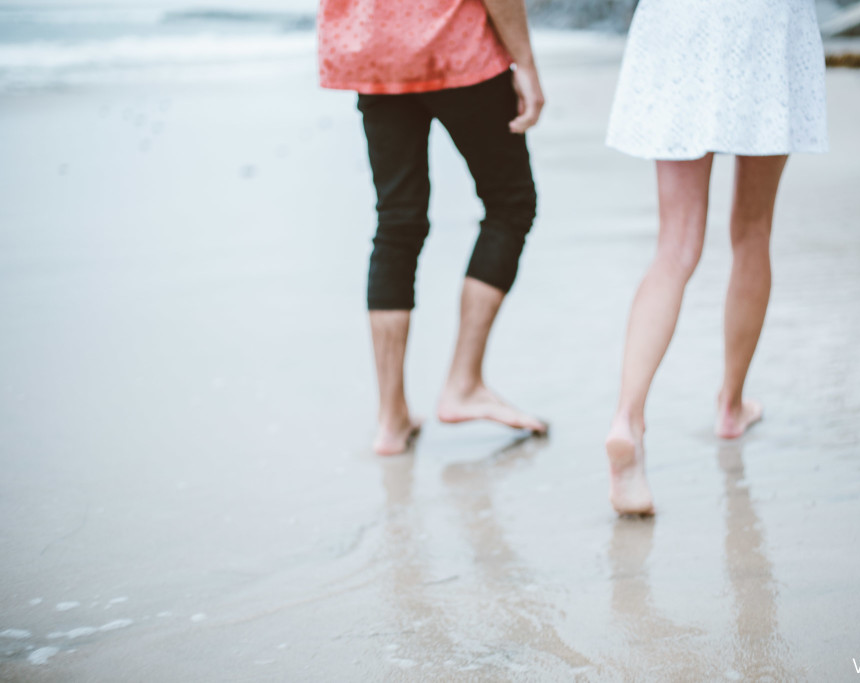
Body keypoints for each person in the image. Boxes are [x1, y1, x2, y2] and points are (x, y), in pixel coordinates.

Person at [603, 0, 828, 515]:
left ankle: (627, 420)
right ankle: (730, 406)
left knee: (675, 246)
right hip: (764, 22)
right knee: (752, 231)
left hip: (680, 20)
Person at [317, 0, 548, 454]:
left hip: (375, 52)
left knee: (397, 223)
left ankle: (391, 418)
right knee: (510, 205)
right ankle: (463, 383)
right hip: (458, 47)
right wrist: (525, 62)